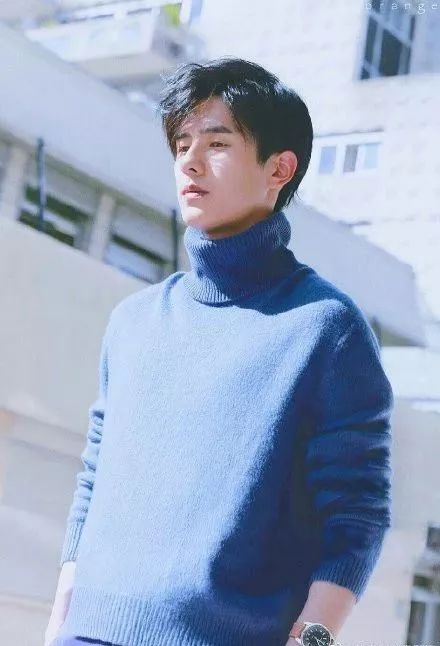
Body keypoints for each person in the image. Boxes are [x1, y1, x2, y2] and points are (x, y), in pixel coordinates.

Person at [45, 57, 393, 646]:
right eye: (182, 144)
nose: (190, 161)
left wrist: (311, 640)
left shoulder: (325, 327)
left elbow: (357, 514)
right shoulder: (133, 321)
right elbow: (94, 482)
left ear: (279, 168)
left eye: (217, 143)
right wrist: (59, 623)